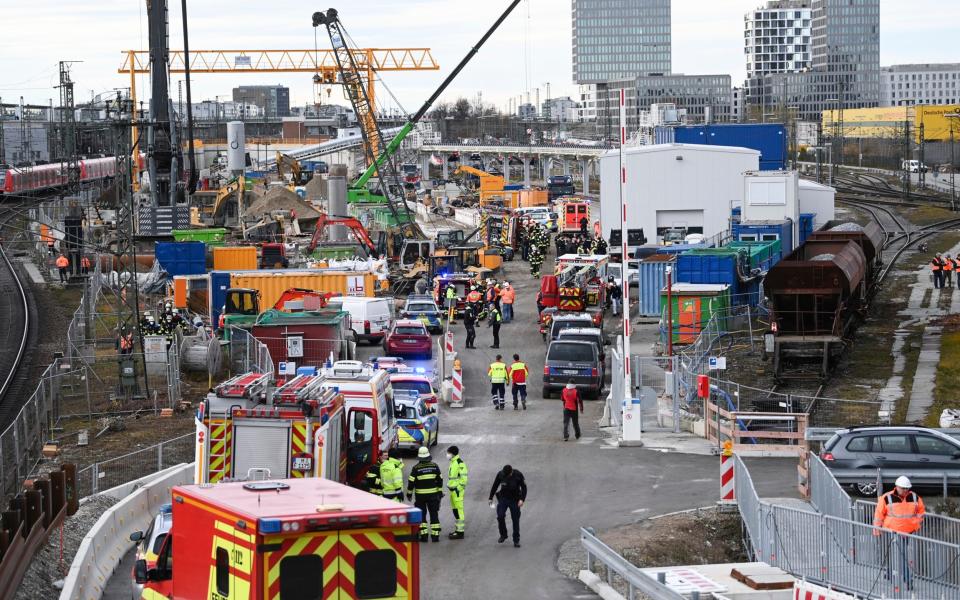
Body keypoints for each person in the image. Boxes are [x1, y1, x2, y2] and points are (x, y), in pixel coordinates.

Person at [874, 476, 925, 590]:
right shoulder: (886, 498)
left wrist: (915, 523)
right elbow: (879, 515)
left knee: (899, 555)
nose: (905, 490)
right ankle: (905, 578)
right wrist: (877, 530)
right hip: (891, 531)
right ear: (897, 487)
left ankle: (892, 574)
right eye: (903, 488)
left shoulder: (914, 497)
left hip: (907, 532)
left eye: (907, 488)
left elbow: (921, 512)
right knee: (897, 554)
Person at [407, 446, 443, 542]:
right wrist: (439, 492)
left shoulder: (416, 468)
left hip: (420, 497)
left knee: (422, 516)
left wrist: (409, 494)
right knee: (434, 514)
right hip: (433, 496)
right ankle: (435, 536)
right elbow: (440, 480)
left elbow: (411, 482)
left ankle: (424, 536)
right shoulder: (435, 466)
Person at [487, 464, 527, 548]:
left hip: (515, 500)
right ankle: (503, 535)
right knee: (500, 516)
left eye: (507, 475)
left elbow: (524, 488)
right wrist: (490, 497)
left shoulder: (518, 475)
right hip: (503, 498)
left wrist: (522, 499)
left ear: (511, 472)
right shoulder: (501, 474)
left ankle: (516, 540)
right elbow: (495, 485)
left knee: (515, 519)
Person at [446, 446, 469, 539]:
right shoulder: (453, 462)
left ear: (452, 453)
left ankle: (460, 532)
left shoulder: (460, 463)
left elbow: (464, 480)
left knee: (459, 510)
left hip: (457, 491)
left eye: (448, 453)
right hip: (452, 491)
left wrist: (457, 489)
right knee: (455, 510)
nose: (447, 455)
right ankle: (457, 530)